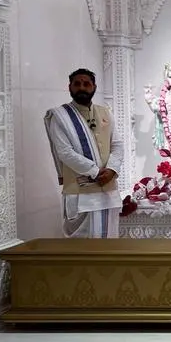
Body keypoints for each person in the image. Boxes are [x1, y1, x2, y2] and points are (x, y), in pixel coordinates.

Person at [44, 68, 123, 238]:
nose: (82, 88)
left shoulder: (105, 113)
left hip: (108, 191)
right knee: (82, 249)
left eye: (86, 84)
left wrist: (112, 170)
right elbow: (65, 152)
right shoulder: (60, 116)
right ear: (70, 87)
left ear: (94, 87)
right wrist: (95, 172)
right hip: (80, 195)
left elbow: (117, 144)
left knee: (108, 244)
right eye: (77, 84)